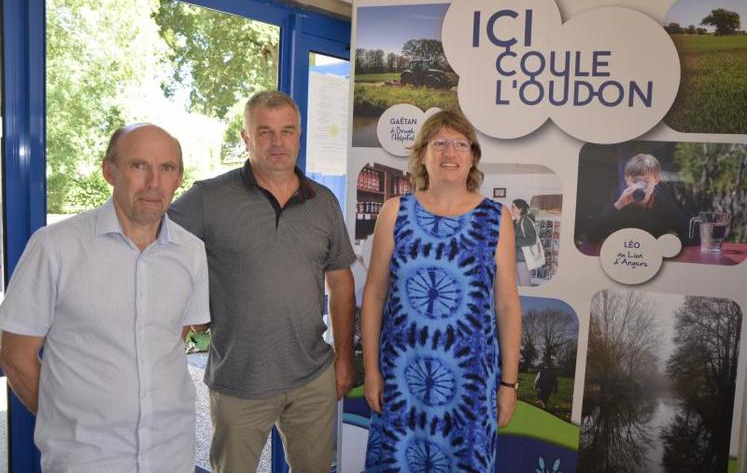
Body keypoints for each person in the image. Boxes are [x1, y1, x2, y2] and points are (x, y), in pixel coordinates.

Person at [0, 123, 210, 472]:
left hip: (172, 455)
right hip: (87, 460)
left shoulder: (192, 252)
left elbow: (182, 336)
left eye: (167, 168)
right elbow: (15, 355)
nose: (154, 182)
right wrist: (65, 422)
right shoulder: (55, 247)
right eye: (139, 165)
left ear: (179, 177)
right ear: (109, 171)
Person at [169, 90, 356, 472]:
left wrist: (343, 361)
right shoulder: (208, 198)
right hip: (239, 379)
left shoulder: (323, 202)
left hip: (311, 376)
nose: (277, 142)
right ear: (246, 137)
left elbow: (341, 282)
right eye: (265, 132)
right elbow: (154, 249)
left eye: (287, 131)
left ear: (299, 136)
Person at [361, 109, 522, 471]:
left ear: (473, 156)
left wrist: (508, 384)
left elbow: (508, 306)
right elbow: (373, 296)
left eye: (460, 144)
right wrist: (372, 371)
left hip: (470, 386)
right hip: (402, 380)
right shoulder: (393, 212)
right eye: (440, 144)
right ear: (422, 155)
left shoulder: (497, 219)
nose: (450, 153)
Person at [587, 153, 691, 243]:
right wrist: (617, 206)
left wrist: (665, 243)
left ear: (656, 180)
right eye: (635, 181)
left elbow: (691, 233)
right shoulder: (619, 200)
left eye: (646, 181)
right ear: (627, 180)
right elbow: (591, 234)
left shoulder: (663, 204)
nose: (640, 186)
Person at [511, 198, 537, 287]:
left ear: (520, 209)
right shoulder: (514, 222)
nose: (511, 209)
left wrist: (513, 241)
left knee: (524, 285)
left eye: (513, 207)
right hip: (514, 258)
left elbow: (532, 240)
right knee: (516, 285)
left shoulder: (526, 222)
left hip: (523, 259)